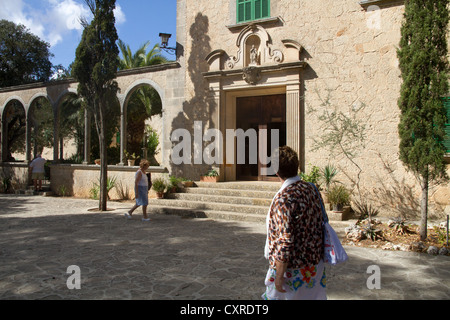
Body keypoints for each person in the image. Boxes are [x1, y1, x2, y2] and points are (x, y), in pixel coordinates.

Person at [262, 146, 326, 300]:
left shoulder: (284, 199)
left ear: (276, 171)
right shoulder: (311, 190)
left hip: (292, 270)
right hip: (313, 266)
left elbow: (285, 240)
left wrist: (279, 274)